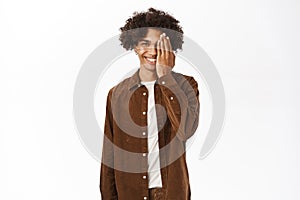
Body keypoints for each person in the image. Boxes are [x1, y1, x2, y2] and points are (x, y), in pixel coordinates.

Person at [100, 7, 200, 200]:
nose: (153, 51)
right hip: (130, 193)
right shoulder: (117, 94)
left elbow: (186, 130)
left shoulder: (187, 85)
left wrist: (166, 77)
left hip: (171, 193)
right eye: (145, 43)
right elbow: (109, 159)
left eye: (159, 44)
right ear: (135, 46)